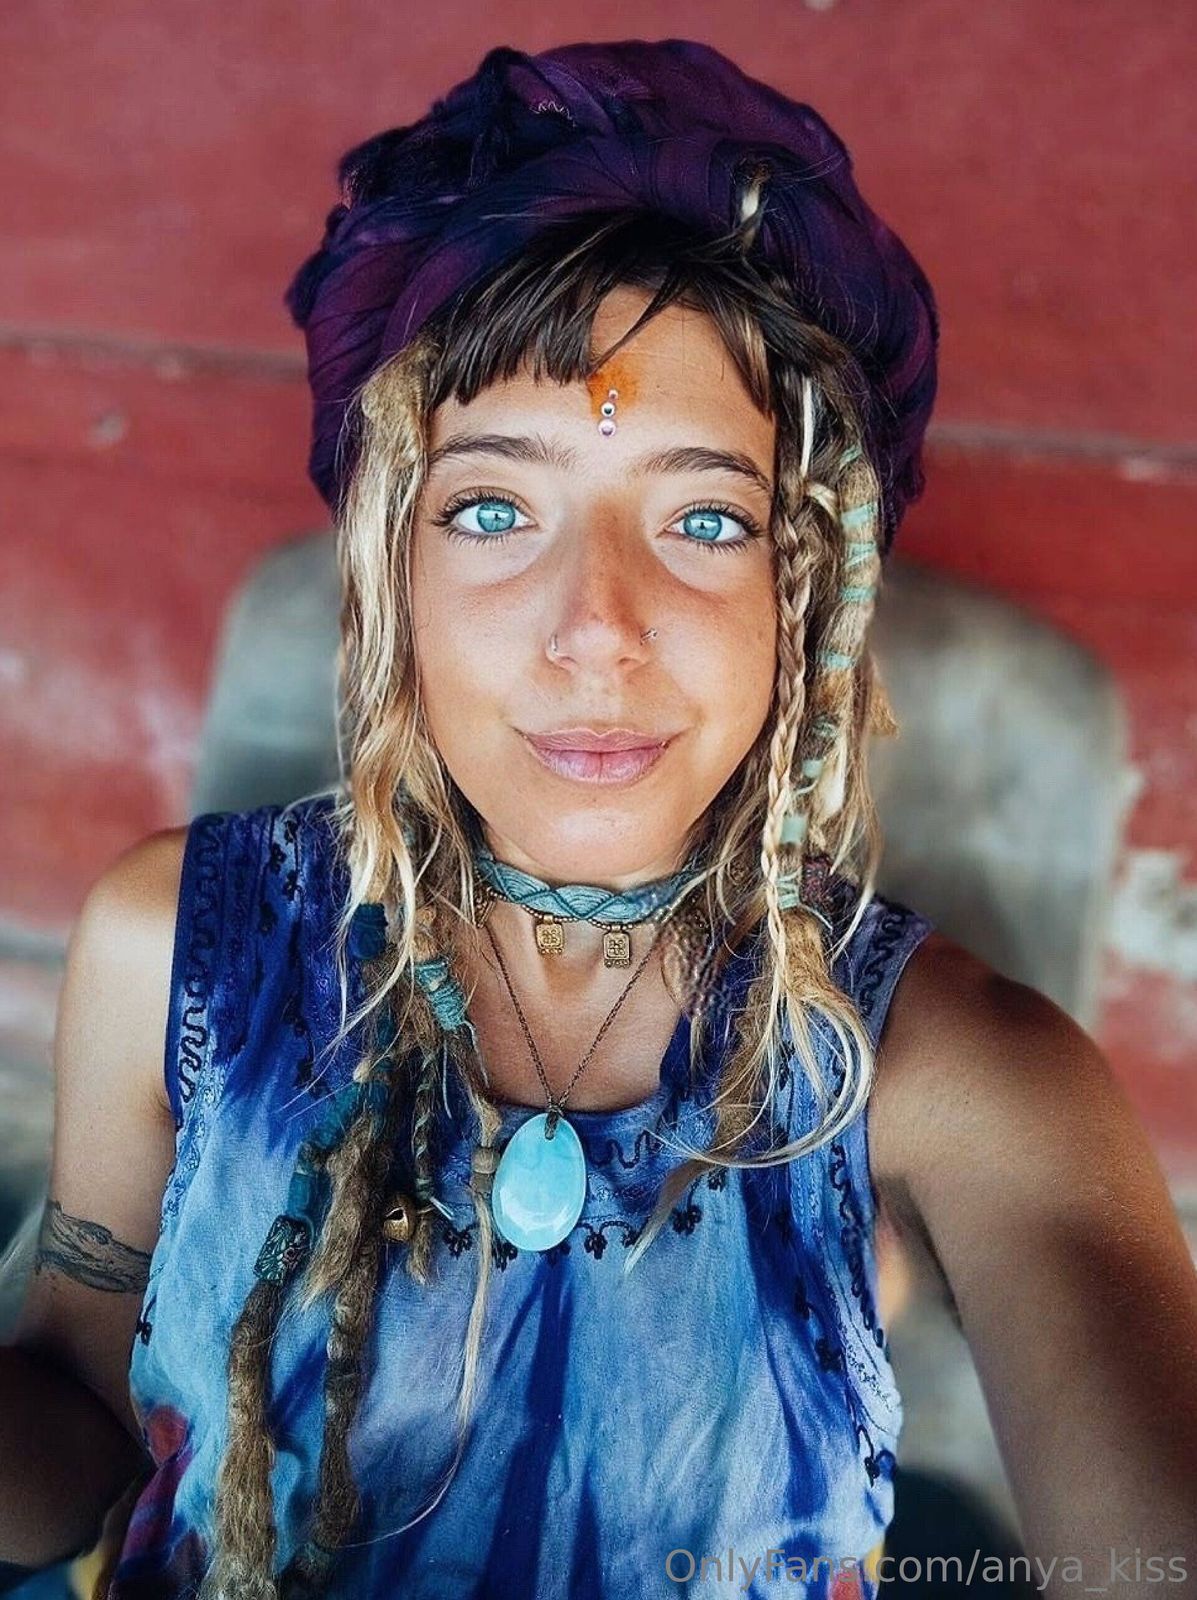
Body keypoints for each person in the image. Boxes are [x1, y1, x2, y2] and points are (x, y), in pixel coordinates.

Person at [4, 38, 1195, 1600]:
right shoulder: (178, 955)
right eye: (493, 509)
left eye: (704, 519)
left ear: (804, 597)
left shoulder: (956, 1083)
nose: (596, 631)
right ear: (390, 571)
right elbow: (86, 1399)